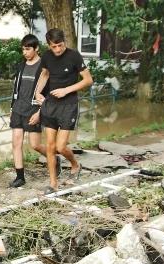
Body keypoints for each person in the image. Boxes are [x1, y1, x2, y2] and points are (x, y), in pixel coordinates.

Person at [34, 28, 93, 194]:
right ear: (49, 45)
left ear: (64, 42)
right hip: (51, 104)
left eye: (60, 45)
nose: (58, 49)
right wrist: (37, 91)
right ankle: (53, 183)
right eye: (54, 47)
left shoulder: (74, 56)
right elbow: (45, 74)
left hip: (69, 105)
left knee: (61, 147)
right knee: (50, 146)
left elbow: (88, 80)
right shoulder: (46, 57)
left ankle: (75, 164)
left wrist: (66, 90)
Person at [9, 34, 58, 188]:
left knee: (35, 145)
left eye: (28, 49)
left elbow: (49, 94)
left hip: (33, 110)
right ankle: (20, 177)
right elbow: (16, 87)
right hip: (18, 108)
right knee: (16, 143)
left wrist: (40, 113)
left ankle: (54, 158)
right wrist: (12, 107)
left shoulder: (44, 68)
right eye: (23, 49)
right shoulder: (21, 64)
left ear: (36, 48)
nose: (25, 52)